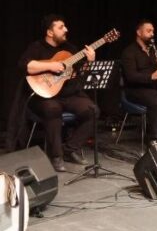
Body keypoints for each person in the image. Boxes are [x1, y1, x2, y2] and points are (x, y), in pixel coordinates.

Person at [16, 15, 98, 172]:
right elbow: (25, 66)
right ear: (50, 32)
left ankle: (69, 149)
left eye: (65, 26)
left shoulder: (71, 49)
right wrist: (52, 65)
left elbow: (81, 74)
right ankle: (56, 156)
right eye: (61, 27)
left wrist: (89, 62)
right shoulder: (37, 47)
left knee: (92, 111)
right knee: (53, 109)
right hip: (44, 96)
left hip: (69, 94)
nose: (66, 29)